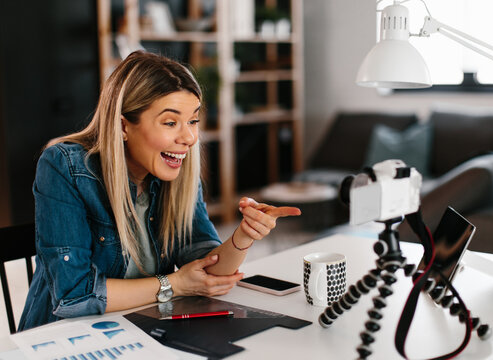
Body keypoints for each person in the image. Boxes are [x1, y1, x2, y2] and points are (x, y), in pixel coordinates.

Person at [18, 51, 301, 331]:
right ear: (123, 126)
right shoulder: (64, 167)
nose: (189, 138)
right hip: (66, 338)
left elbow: (207, 274)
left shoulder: (176, 174)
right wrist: (173, 284)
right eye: (170, 122)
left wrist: (246, 234)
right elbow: (72, 294)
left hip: (142, 328)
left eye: (193, 121)